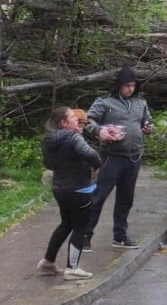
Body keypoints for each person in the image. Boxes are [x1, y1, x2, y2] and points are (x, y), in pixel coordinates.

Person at [82, 66, 153, 252]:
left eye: (133, 85)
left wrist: (147, 127)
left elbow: (148, 120)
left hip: (133, 157)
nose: (130, 89)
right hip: (111, 156)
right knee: (98, 196)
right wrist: (101, 131)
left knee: (126, 199)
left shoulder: (140, 102)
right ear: (119, 85)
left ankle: (120, 236)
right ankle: (85, 236)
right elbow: (88, 120)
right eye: (127, 85)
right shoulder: (105, 102)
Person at [39, 106, 102, 281]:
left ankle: (48, 262)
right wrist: (96, 165)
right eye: (73, 117)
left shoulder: (47, 140)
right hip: (79, 189)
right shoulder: (73, 136)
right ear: (64, 123)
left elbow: (49, 165)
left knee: (66, 224)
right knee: (80, 226)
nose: (77, 119)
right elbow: (90, 153)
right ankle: (72, 268)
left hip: (59, 188)